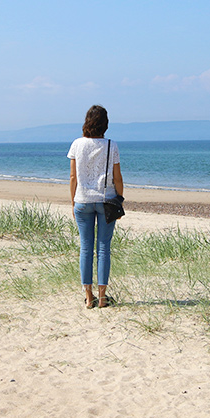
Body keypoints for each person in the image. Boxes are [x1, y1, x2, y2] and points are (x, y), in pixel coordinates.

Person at [68, 105, 123, 309]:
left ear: (87, 121)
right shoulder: (111, 145)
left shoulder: (77, 144)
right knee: (103, 248)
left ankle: (88, 296)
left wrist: (73, 201)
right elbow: (117, 177)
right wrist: (120, 200)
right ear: (105, 124)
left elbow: (73, 177)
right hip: (106, 200)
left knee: (85, 248)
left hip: (82, 200)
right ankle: (102, 297)